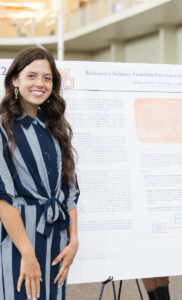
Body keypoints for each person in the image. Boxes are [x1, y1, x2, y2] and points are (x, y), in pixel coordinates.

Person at [0, 47, 79, 300]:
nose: (40, 83)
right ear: (15, 80)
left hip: (57, 237)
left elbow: (69, 190)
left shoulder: (56, 127)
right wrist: (27, 253)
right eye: (31, 76)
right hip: (19, 240)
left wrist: (73, 240)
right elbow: (3, 199)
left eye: (47, 78)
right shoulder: (3, 128)